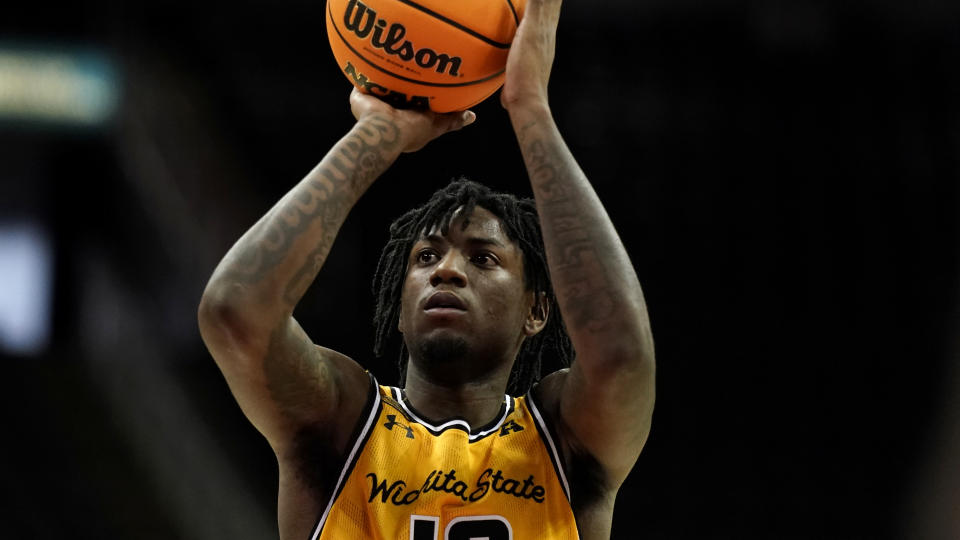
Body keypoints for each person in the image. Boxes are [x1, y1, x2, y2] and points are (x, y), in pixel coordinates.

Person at [197, 0, 655, 538]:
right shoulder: (339, 422)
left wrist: (531, 109)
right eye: (426, 257)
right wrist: (378, 135)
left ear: (537, 310)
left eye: (483, 258)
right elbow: (234, 310)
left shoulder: (565, 438)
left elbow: (622, 355)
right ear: (398, 306)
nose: (447, 271)